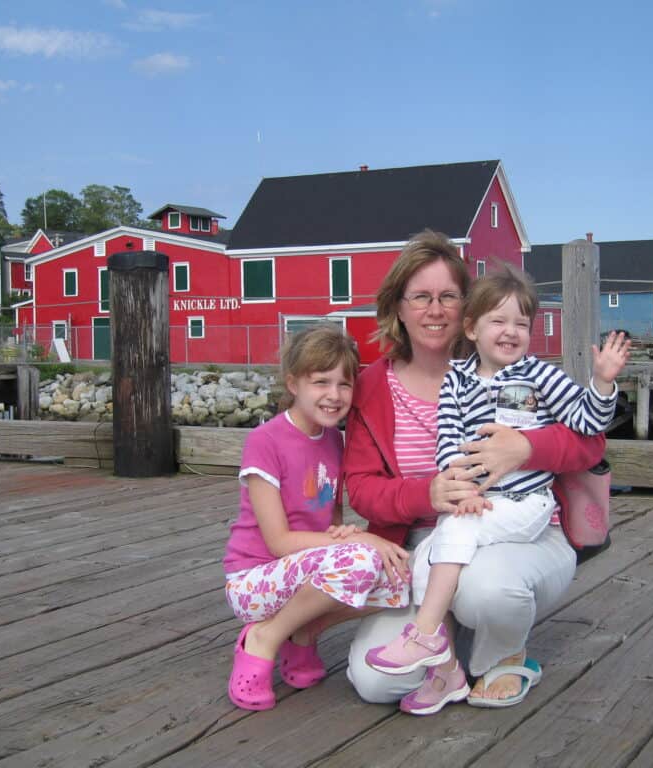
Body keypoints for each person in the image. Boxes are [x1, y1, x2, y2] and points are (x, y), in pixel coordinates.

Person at [344, 230, 607, 714]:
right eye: (420, 297)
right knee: (375, 683)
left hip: (522, 533)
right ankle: (447, 659)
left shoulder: (516, 369)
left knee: (488, 589)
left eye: (448, 296)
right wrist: (429, 494)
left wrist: (524, 448)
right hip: (423, 545)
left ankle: (503, 656)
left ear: (469, 311)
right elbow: (360, 490)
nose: (435, 310)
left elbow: (591, 443)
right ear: (398, 307)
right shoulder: (370, 387)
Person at [223, 325, 410, 711]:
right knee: (362, 558)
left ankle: (305, 630)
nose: (334, 395)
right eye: (320, 382)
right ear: (293, 383)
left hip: (305, 571)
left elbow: (328, 518)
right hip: (254, 580)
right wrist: (359, 539)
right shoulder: (265, 442)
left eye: (344, 384)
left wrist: (343, 534)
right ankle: (266, 637)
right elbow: (277, 542)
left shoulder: (334, 440)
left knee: (401, 579)